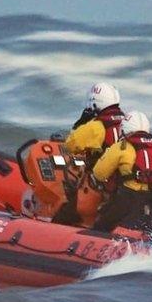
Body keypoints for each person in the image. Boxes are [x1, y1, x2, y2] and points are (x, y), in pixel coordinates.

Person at [53, 82, 124, 226]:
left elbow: (71, 145)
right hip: (123, 187)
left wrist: (82, 121)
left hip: (101, 186)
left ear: (94, 104)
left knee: (65, 214)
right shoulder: (128, 123)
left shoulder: (95, 127)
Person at [91, 111, 152, 232]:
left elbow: (99, 173)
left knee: (102, 223)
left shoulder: (122, 147)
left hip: (128, 198)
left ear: (125, 129)